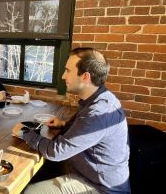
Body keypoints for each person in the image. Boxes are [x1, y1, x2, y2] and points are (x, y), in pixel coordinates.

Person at [12, 47, 130, 194]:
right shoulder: (97, 99)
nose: (63, 76)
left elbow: (56, 152)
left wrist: (24, 132)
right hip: (90, 174)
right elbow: (87, 131)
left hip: (100, 187)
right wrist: (64, 124)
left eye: (68, 71)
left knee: (28, 192)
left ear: (85, 77)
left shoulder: (98, 112)